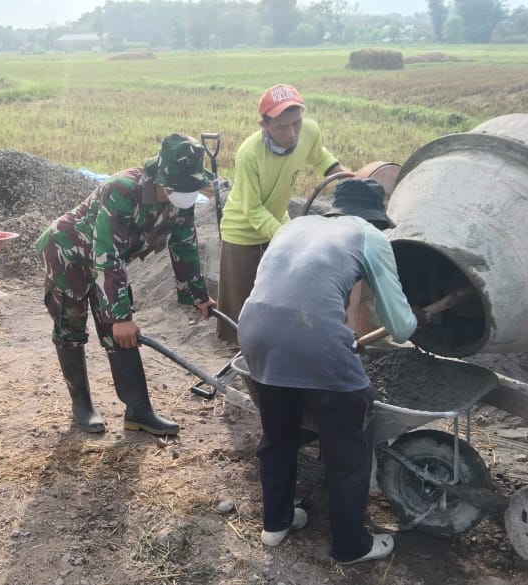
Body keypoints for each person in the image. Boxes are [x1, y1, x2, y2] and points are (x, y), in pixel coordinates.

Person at [237, 178, 426, 564]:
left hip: (256, 332)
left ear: (335, 208)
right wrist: (416, 315)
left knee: (278, 435)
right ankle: (351, 546)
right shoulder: (370, 236)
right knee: (350, 444)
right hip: (314, 338)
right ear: (375, 217)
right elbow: (402, 327)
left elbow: (286, 288)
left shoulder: (293, 226)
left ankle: (276, 523)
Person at [37, 133, 217, 436]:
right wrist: (120, 317)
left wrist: (198, 295)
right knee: (73, 327)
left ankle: (139, 411)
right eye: (184, 188)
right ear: (162, 179)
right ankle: (81, 405)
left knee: (120, 334)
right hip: (69, 255)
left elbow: (184, 244)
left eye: (194, 187)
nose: (190, 195)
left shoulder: (179, 196)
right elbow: (108, 255)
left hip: (104, 259)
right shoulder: (122, 190)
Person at [216, 84, 348, 343]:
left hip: (278, 220)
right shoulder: (250, 154)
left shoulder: (308, 131)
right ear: (264, 125)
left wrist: (347, 177)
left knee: (279, 290)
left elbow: (320, 158)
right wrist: (287, 235)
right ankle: (239, 352)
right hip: (241, 231)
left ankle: (272, 341)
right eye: (282, 127)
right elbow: (252, 209)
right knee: (240, 301)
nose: (292, 133)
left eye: (296, 124)